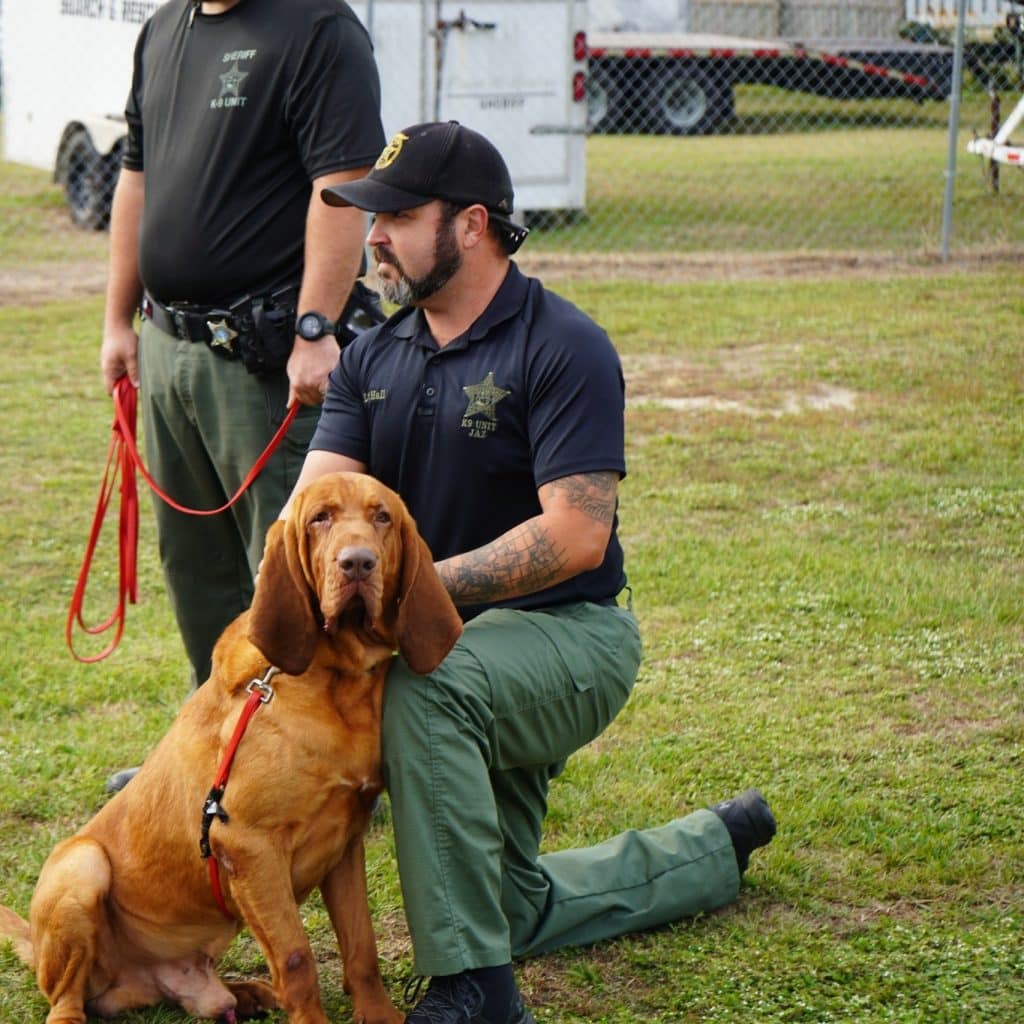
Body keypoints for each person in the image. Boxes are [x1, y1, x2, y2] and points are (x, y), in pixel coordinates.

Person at [282, 121, 777, 1024]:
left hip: (570, 635)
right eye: (371, 216)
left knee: (427, 690)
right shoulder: (371, 359)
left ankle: (477, 991)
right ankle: (708, 848)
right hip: (444, 640)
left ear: (471, 225)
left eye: (397, 215)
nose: (376, 235)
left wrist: (404, 598)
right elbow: (306, 519)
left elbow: (579, 535)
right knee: (509, 906)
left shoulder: (563, 345)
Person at [99, 0, 386, 791]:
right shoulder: (162, 30)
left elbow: (342, 185)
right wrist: (118, 320)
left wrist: (317, 327)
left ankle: (316, 762)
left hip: (262, 361)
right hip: (168, 350)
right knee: (194, 570)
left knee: (289, 568)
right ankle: (221, 748)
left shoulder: (317, 29)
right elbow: (137, 177)